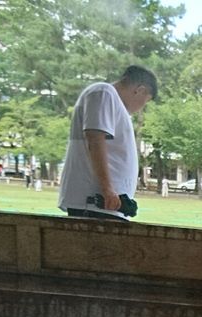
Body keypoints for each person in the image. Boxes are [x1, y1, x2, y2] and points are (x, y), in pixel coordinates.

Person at [58, 65, 158, 221]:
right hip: (95, 203)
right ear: (140, 90)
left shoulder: (113, 102)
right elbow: (96, 140)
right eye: (145, 102)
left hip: (106, 205)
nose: (141, 108)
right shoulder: (104, 93)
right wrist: (107, 189)